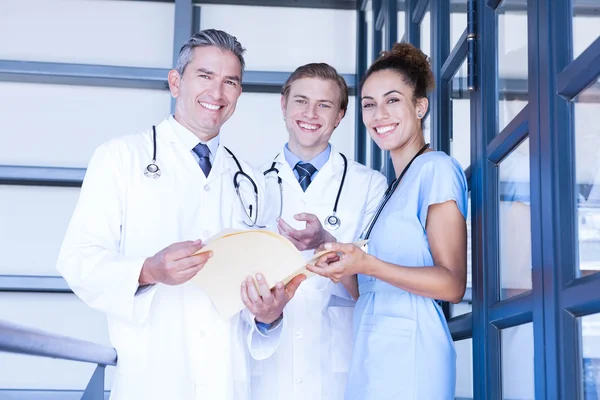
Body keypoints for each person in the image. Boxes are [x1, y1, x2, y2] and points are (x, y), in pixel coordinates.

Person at [56, 29, 304, 400]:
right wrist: (149, 270)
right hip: (153, 375)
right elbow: (77, 260)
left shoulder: (251, 180)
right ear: (176, 82)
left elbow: (259, 291)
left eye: (230, 82)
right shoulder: (121, 157)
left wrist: (269, 316)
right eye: (205, 76)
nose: (217, 93)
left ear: (239, 94)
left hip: (226, 378)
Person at [309, 43, 469, 399]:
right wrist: (331, 246)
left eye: (392, 100)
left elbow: (452, 284)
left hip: (411, 355)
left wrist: (368, 263)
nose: (379, 114)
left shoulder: (436, 170)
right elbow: (368, 287)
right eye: (369, 104)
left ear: (419, 107)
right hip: (371, 353)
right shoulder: (392, 189)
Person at [251, 63, 388, 399]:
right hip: (268, 365)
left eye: (324, 105)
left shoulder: (370, 186)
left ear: (340, 115)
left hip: (337, 370)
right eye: (301, 101)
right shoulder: (249, 183)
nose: (310, 113)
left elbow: (378, 289)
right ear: (283, 105)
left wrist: (327, 244)